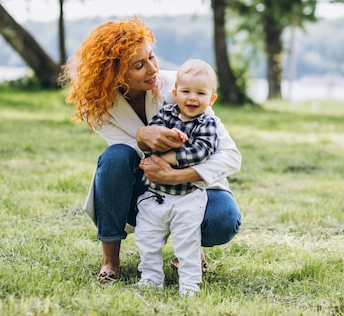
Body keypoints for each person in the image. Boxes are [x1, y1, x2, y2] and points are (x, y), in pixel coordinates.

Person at [61, 16, 242, 286]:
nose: (152, 69)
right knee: (115, 157)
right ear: (114, 74)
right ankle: (110, 260)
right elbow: (128, 155)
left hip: (191, 185)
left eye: (152, 57)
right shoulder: (99, 106)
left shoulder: (181, 88)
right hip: (143, 190)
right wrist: (142, 137)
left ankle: (189, 251)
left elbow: (230, 154)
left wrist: (179, 175)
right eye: (138, 65)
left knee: (223, 220)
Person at [135, 59, 220, 296]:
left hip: (188, 197)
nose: (192, 98)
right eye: (186, 91)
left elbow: (202, 151)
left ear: (211, 99)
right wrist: (165, 137)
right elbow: (152, 140)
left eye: (200, 93)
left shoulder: (207, 124)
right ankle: (150, 277)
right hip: (155, 195)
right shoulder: (165, 115)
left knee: (187, 243)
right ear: (175, 93)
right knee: (147, 238)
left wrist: (169, 157)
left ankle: (190, 284)